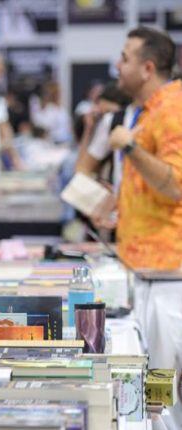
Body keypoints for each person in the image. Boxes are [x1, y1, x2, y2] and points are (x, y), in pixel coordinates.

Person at [106, 29, 182, 425]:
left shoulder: (172, 108)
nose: (117, 65)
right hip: (147, 274)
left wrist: (129, 147)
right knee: (152, 393)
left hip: (168, 280)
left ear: (148, 67)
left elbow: (176, 185)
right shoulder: (149, 110)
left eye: (125, 58)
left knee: (160, 396)